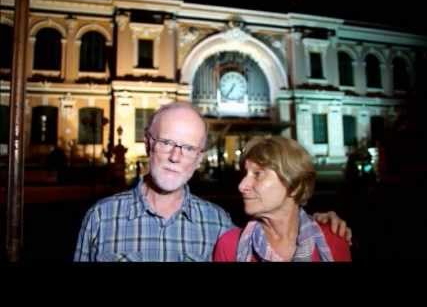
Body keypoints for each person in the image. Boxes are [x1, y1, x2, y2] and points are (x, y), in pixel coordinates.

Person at [74, 102, 351, 262]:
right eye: (167, 142)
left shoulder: (220, 226)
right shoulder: (101, 217)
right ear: (148, 143)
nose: (175, 156)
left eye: (188, 148)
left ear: (198, 158)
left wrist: (318, 221)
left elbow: (278, 226)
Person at [213, 136, 351, 262]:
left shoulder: (334, 239)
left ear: (295, 185)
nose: (242, 185)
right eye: (245, 174)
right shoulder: (230, 246)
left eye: (257, 174)